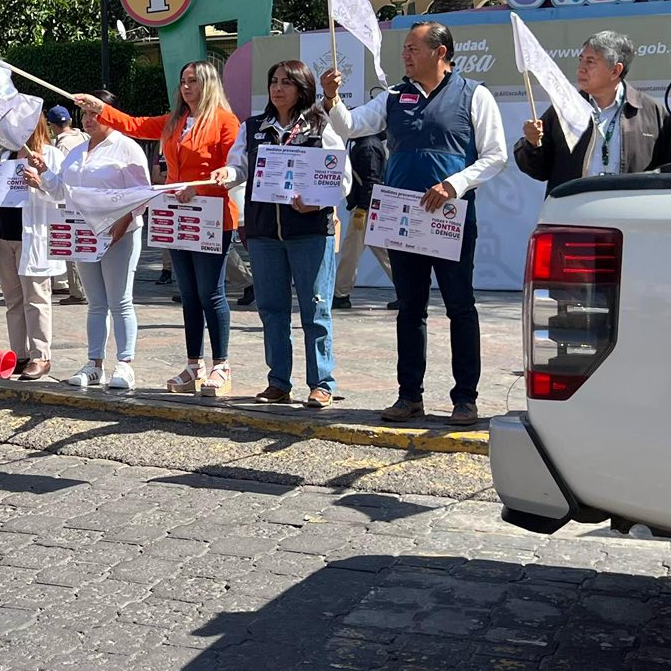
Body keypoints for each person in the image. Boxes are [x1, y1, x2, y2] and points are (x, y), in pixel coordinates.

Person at [323, 23, 506, 427]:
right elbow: (348, 127)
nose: (404, 55)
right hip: (402, 218)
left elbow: (495, 156)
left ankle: (465, 399)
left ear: (440, 52)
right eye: (404, 49)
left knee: (460, 307)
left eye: (412, 48)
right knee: (410, 309)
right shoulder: (393, 97)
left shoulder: (475, 94)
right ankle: (409, 397)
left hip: (450, 219)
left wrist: (454, 185)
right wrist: (332, 98)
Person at [73, 60, 241, 397]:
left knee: (211, 293)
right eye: (183, 81)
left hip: (212, 216)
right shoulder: (175, 121)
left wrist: (208, 184)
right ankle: (194, 364)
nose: (186, 87)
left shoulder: (226, 122)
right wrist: (101, 108)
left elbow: (233, 168)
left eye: (193, 81)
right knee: (189, 295)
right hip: (179, 219)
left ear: (208, 84)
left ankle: (221, 365)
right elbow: (135, 124)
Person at [214, 60, 347, 409]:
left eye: (287, 82)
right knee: (271, 309)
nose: (277, 88)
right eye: (274, 81)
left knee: (315, 309)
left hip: (310, 232)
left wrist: (316, 203)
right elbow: (238, 166)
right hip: (263, 234)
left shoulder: (320, 124)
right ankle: (278, 381)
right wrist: (226, 173)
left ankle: (321, 383)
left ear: (302, 88)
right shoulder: (254, 127)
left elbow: (340, 179)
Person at [39, 90, 149, 390]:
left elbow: (142, 194)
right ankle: (94, 363)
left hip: (119, 235)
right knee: (96, 303)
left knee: (120, 301)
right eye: (85, 114)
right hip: (84, 237)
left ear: (110, 115)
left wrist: (122, 224)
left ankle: (125, 364)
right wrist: (42, 174)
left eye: (95, 114)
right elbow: (62, 190)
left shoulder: (127, 148)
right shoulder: (77, 151)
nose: (88, 120)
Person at [514, 30, 671, 188]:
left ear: (615, 70)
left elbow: (669, 175)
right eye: (581, 59)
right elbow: (537, 170)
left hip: (629, 213)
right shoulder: (564, 109)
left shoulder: (652, 112)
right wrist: (532, 143)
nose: (581, 68)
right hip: (573, 212)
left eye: (590, 61)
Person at [0, 119, 63, 381]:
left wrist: (41, 181)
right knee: (12, 299)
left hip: (31, 235)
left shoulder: (50, 155)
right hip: (3, 233)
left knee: (36, 297)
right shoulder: (3, 155)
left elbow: (62, 193)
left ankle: (40, 356)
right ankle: (19, 354)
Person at [332, 132, 390, 310]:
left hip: (366, 209)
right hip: (370, 207)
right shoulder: (368, 144)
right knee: (385, 254)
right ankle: (410, 291)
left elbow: (371, 182)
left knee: (351, 253)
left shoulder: (367, 147)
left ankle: (341, 294)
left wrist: (362, 210)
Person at [46, 106, 87, 306]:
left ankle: (78, 291)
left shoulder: (60, 147)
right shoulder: (85, 137)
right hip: (88, 197)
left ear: (52, 126)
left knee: (71, 241)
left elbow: (59, 175)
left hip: (68, 198)